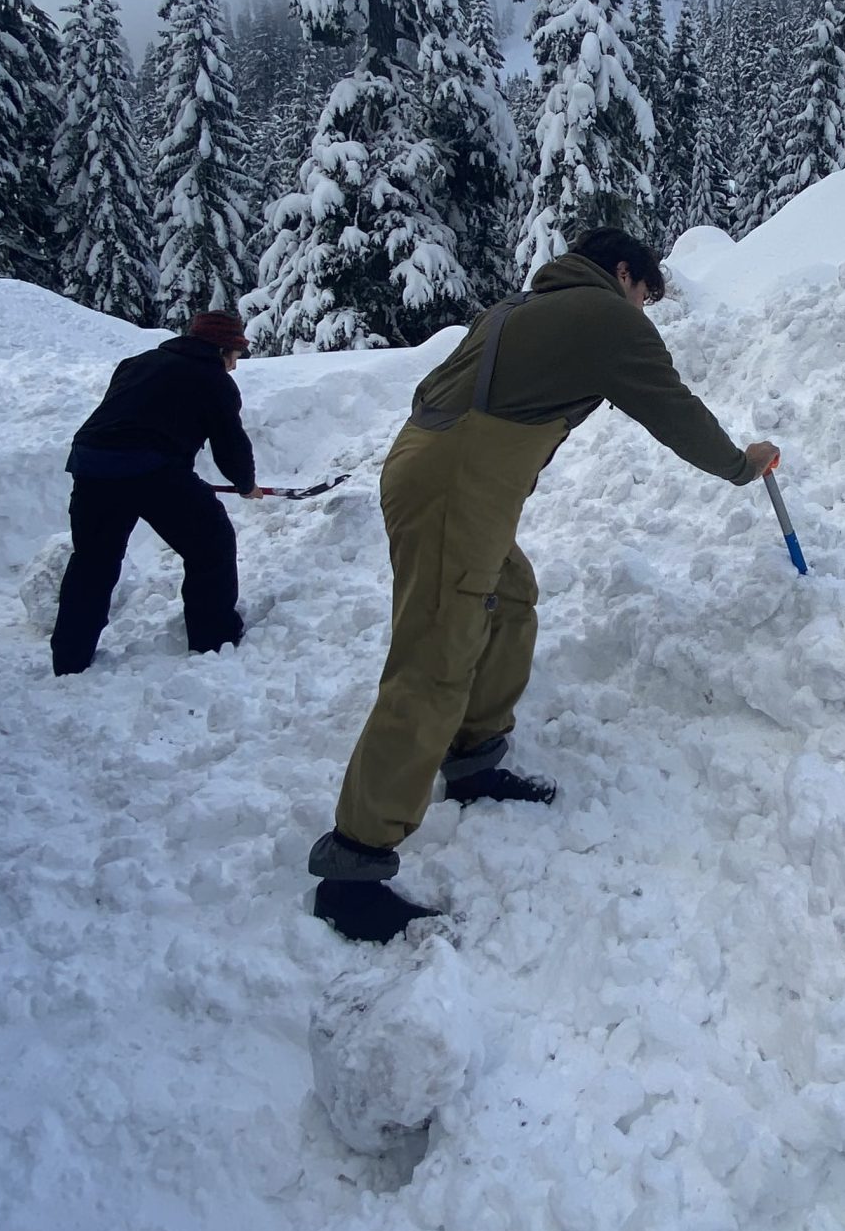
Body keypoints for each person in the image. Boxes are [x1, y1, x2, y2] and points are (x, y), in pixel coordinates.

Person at [308, 227, 779, 942]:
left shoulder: (519, 307)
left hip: (443, 470)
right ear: (624, 275)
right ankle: (354, 863)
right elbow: (673, 411)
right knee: (436, 654)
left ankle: (474, 757)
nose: (645, 312)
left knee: (512, 601)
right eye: (647, 296)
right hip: (453, 485)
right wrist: (742, 466)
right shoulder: (606, 317)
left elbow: (432, 390)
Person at [49, 310, 261, 676]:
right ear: (222, 349)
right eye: (236, 356)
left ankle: (69, 659)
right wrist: (246, 485)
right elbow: (230, 444)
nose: (235, 367)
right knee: (211, 541)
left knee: (92, 563)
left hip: (91, 464)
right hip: (150, 469)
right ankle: (214, 636)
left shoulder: (138, 362)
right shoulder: (212, 379)